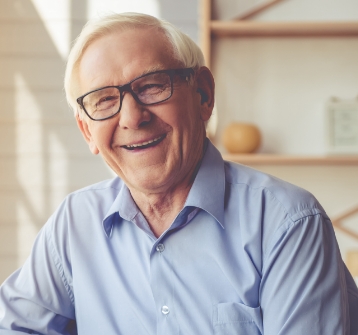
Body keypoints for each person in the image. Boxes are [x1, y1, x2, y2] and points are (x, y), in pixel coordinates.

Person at [0, 12, 357, 335]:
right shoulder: (73, 225)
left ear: (203, 94)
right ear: (86, 131)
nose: (131, 118)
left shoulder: (288, 223)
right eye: (104, 100)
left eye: (152, 85)